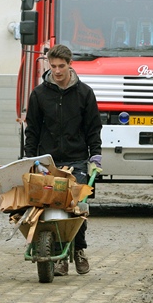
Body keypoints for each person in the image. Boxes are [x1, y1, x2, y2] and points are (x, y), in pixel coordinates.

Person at [24, 44, 103, 276]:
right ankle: (58, 256)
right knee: (49, 205)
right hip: (47, 161)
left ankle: (79, 249)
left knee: (76, 207)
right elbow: (33, 130)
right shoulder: (39, 94)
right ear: (48, 64)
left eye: (62, 66)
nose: (57, 71)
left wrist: (95, 156)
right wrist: (30, 158)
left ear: (70, 65)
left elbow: (93, 128)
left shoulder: (84, 94)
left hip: (77, 159)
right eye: (53, 66)